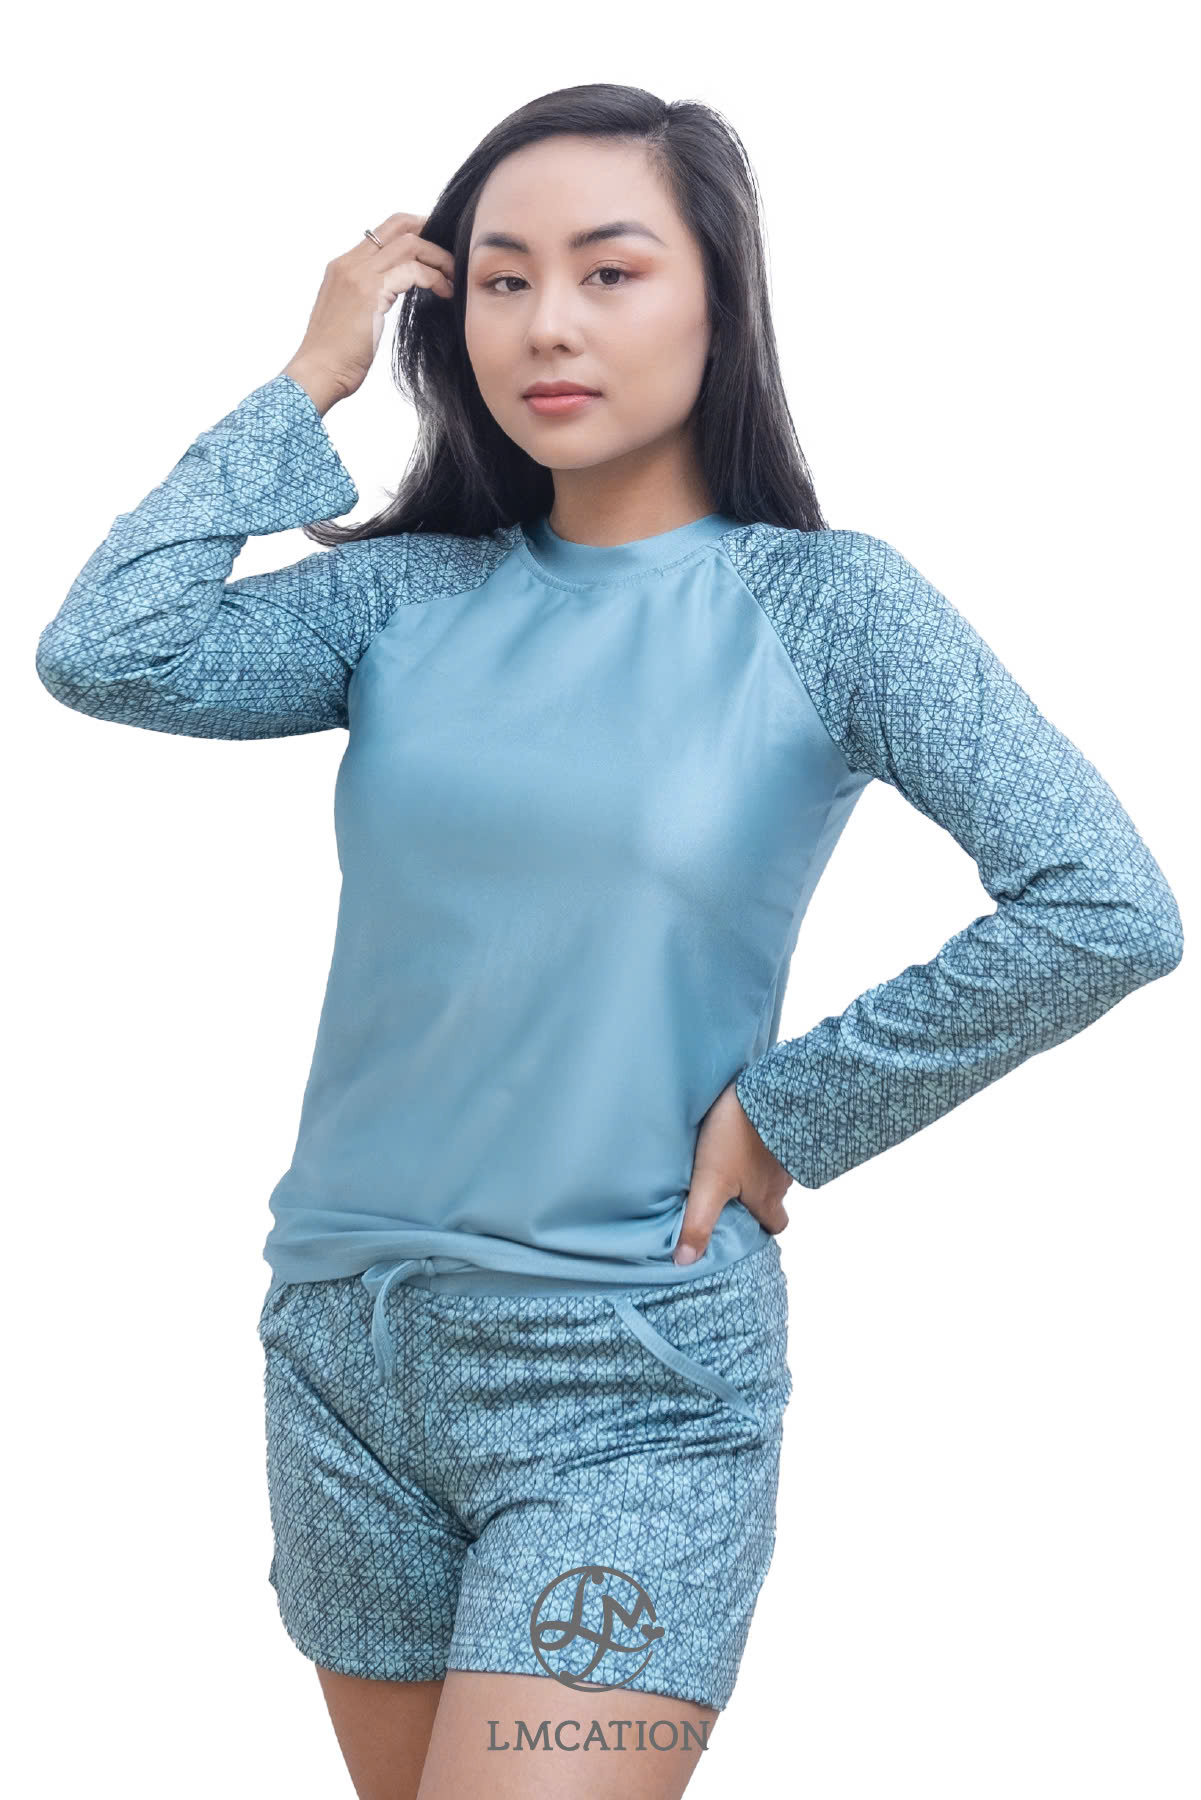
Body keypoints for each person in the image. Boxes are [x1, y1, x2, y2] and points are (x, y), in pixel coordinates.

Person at [34, 83, 1183, 1800]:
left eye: (608, 271)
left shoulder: (829, 606)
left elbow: (1104, 904)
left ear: (719, 300)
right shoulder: (407, 599)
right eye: (499, 280)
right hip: (343, 1352)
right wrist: (309, 378)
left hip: (622, 1366)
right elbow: (106, 653)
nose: (545, 324)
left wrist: (793, 1110)